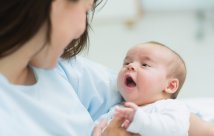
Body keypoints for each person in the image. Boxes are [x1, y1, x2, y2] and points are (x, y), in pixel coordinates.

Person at [0, 0, 214, 136]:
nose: (81, 29)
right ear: (56, 5)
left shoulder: (60, 68)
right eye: (85, 10)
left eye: (145, 64)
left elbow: (179, 118)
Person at [93, 41, 190, 136]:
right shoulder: (117, 110)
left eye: (145, 65)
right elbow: (98, 127)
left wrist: (141, 121)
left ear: (170, 86)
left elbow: (176, 129)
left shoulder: (171, 107)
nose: (130, 66)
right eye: (126, 63)